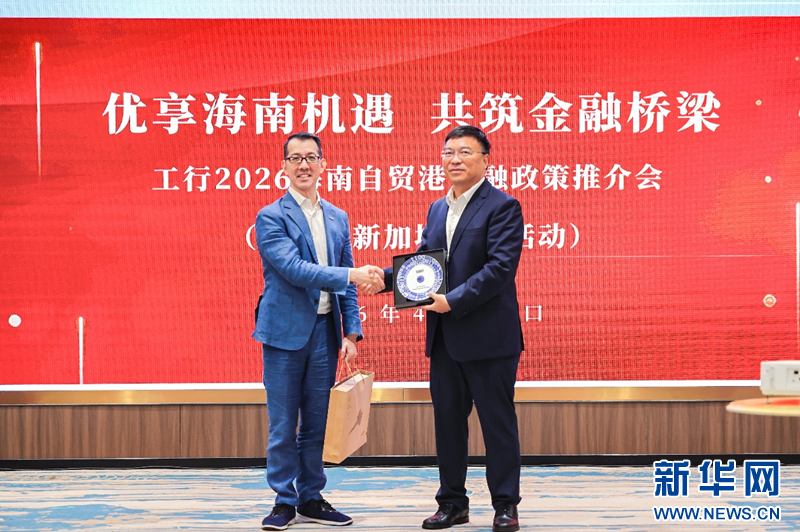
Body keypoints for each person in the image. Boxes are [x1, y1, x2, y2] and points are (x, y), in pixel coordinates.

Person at [362, 125, 524, 532]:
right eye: (448, 152)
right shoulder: (437, 208)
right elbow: (425, 264)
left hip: (489, 337)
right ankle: (452, 503)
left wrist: (453, 300)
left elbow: (499, 269)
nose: (454, 159)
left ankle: (506, 505)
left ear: (486, 160)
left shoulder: (503, 206)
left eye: (465, 152)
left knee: (497, 425)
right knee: (448, 425)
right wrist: (383, 279)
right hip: (445, 339)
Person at [253, 131, 383, 531]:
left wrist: (351, 333)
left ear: (324, 164)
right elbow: (295, 270)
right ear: (284, 167)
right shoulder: (271, 217)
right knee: (283, 425)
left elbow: (346, 287)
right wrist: (351, 274)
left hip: (325, 334)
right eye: (295, 158)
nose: (304, 165)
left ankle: (311, 497)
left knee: (316, 424)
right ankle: (283, 500)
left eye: (311, 157)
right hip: (284, 335)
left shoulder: (337, 217)